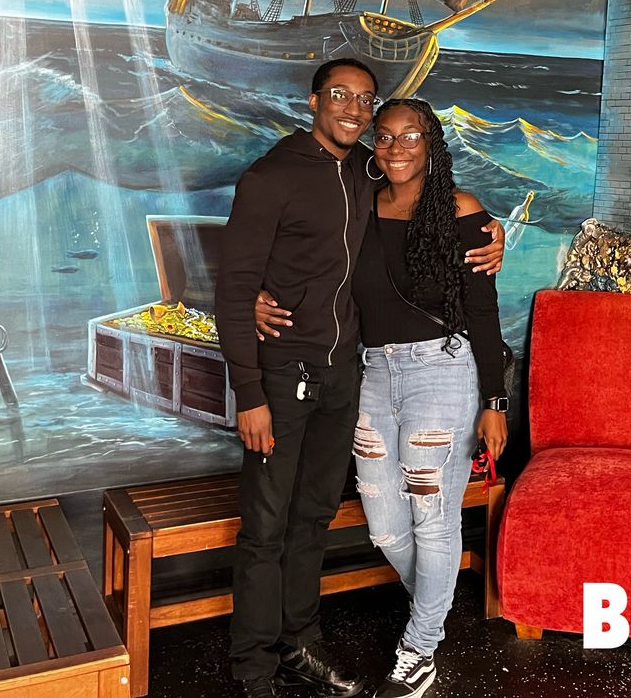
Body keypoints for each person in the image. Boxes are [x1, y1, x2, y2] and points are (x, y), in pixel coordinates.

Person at [214, 61, 504, 698]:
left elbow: (434, 208)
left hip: (351, 377)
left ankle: (305, 647)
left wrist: (490, 233)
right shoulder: (271, 177)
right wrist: (249, 389)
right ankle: (254, 668)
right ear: (314, 100)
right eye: (340, 96)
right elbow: (233, 286)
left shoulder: (366, 172)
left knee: (314, 518)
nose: (354, 110)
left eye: (365, 100)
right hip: (286, 377)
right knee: (269, 527)